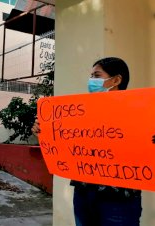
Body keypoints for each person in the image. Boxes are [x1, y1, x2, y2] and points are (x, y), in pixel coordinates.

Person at [31, 57, 142, 226]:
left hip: (118, 200)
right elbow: (65, 139)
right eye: (91, 76)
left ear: (117, 80)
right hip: (83, 194)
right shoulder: (81, 112)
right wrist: (43, 130)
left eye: (97, 75)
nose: (91, 81)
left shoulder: (139, 112)